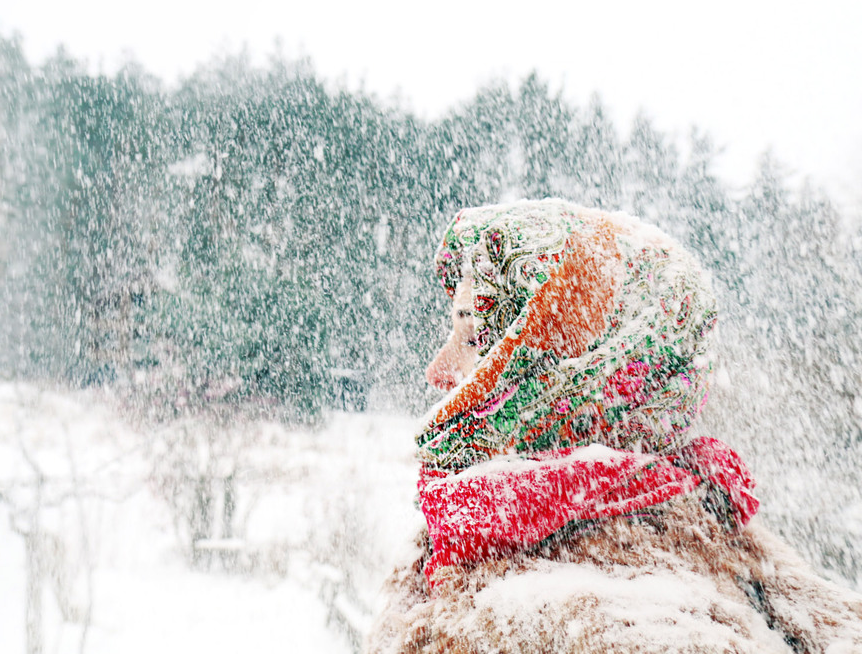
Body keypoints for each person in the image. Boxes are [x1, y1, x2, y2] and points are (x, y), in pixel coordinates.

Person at [366, 199, 862, 654]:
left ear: (570, 375)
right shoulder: (728, 568)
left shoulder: (581, 630)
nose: (438, 373)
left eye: (475, 336)